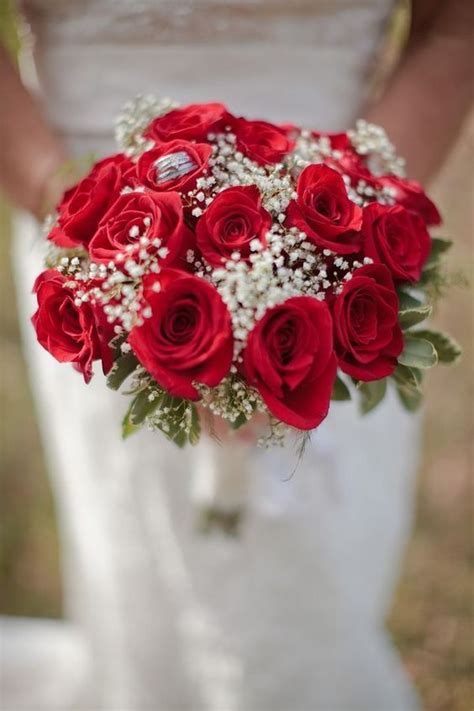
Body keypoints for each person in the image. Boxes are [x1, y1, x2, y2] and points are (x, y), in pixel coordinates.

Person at [0, 1, 472, 709]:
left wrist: (348, 223)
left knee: (312, 609)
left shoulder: (337, 242)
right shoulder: (101, 246)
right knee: (144, 602)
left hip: (339, 247)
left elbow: (455, 25)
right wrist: (74, 207)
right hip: (98, 244)